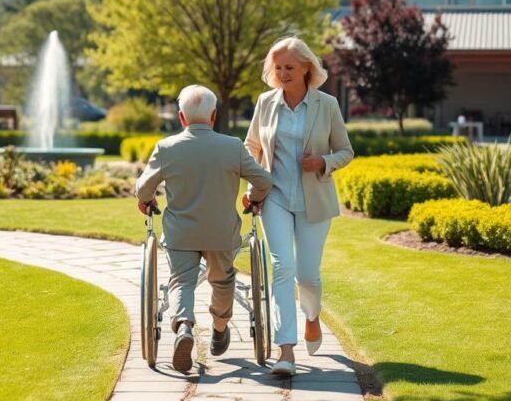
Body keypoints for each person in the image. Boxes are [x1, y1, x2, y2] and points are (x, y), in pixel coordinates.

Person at [135, 84, 273, 373]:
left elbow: (143, 187)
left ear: (181, 117)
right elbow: (263, 181)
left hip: (180, 233)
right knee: (222, 281)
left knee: (181, 282)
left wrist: (146, 200)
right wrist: (253, 199)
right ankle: (220, 327)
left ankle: (184, 325)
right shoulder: (232, 147)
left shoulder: (167, 148)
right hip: (221, 233)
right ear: (213, 115)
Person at [244, 37, 354, 376]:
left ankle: (311, 315)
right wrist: (254, 181)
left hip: (314, 201)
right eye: (277, 68)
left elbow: (346, 151)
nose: (282, 73)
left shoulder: (327, 105)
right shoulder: (265, 103)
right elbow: (251, 146)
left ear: (307, 67)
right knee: (282, 268)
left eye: (289, 67)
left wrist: (322, 161)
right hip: (274, 196)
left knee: (307, 275)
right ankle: (286, 352)